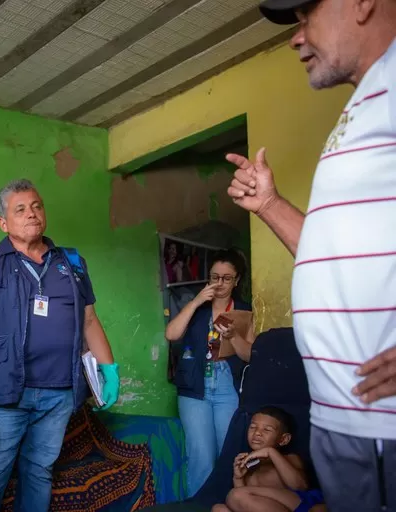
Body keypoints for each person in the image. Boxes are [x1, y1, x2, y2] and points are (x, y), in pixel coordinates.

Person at [227, 0, 396, 508]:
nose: (296, 38)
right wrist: (271, 205)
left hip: (383, 422)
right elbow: (335, 257)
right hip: (342, 418)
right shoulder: (364, 106)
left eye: (306, 17)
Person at [0, 178, 120, 511]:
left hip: (59, 393)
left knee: (39, 471)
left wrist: (109, 369)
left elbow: (89, 321)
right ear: (3, 223)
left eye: (37, 206)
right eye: (20, 209)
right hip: (4, 395)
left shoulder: (71, 263)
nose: (32, 214)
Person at [165, 249, 253, 497]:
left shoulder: (244, 311)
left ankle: (228, 504)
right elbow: (171, 334)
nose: (220, 283)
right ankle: (199, 505)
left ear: (236, 281)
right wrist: (195, 301)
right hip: (194, 387)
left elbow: (249, 355)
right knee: (200, 456)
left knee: (229, 453)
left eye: (227, 278)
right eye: (215, 277)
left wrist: (233, 336)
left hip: (228, 387)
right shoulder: (196, 308)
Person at [212, 406, 324, 512]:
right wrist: (238, 478)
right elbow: (243, 505)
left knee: (235, 495)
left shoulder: (290, 459)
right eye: (253, 427)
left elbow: (300, 486)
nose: (257, 433)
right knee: (219, 509)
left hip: (299, 506)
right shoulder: (250, 467)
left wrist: (271, 452)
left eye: (267, 430)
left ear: (284, 439)